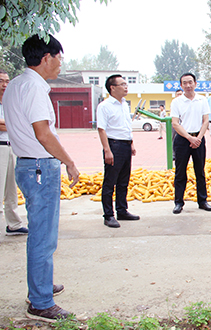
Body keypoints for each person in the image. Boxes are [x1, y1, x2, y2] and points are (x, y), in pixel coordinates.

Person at [3, 34, 80, 321]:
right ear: (46, 58)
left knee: (40, 233)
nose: (61, 64)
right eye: (59, 57)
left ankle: (41, 285)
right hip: (40, 167)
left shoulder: (16, 84)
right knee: (43, 236)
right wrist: (69, 161)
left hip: (27, 164)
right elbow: (43, 134)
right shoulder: (34, 88)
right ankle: (40, 302)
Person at [97, 75, 140, 228]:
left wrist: (131, 143)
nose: (126, 87)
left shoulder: (124, 104)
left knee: (123, 181)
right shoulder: (104, 106)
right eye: (122, 84)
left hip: (125, 145)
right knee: (110, 182)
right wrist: (107, 150)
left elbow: (126, 126)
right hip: (113, 145)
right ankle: (108, 215)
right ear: (112, 88)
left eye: (126, 84)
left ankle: (122, 210)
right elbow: (101, 130)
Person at [172, 73, 211, 214]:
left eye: (190, 82)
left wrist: (199, 138)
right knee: (180, 172)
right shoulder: (176, 102)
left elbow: (206, 120)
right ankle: (178, 202)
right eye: (185, 83)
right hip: (183, 140)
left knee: (200, 171)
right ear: (181, 85)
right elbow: (175, 124)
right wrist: (190, 138)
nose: (188, 85)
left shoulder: (202, 100)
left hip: (199, 139)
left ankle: (202, 201)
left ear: (195, 83)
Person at [0, 70, 28, 235]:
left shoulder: (10, 103)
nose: (5, 85)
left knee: (11, 188)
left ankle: (14, 224)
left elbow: (20, 122)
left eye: (7, 81)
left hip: (12, 147)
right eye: (1, 81)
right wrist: (11, 123)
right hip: (0, 147)